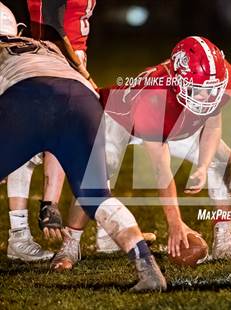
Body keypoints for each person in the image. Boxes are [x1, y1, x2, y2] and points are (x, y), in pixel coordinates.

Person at [50, 36, 231, 270]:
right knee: (99, 171)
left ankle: (224, 239)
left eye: (211, 90)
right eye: (197, 90)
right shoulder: (154, 95)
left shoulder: (220, 77)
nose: (206, 97)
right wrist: (175, 222)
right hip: (119, 118)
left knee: (223, 159)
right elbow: (161, 168)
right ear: (179, 81)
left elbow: (213, 124)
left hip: (174, 119)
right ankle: (70, 244)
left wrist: (202, 166)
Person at [0, 4, 166, 292]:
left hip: (28, 98)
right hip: (80, 98)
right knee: (96, 196)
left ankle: (20, 233)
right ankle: (147, 267)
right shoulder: (44, 43)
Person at [6, 0, 98, 261]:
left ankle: (47, 215)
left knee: (76, 138)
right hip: (44, 56)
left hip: (63, 56)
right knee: (24, 148)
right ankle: (19, 235)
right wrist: (82, 73)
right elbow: (52, 27)